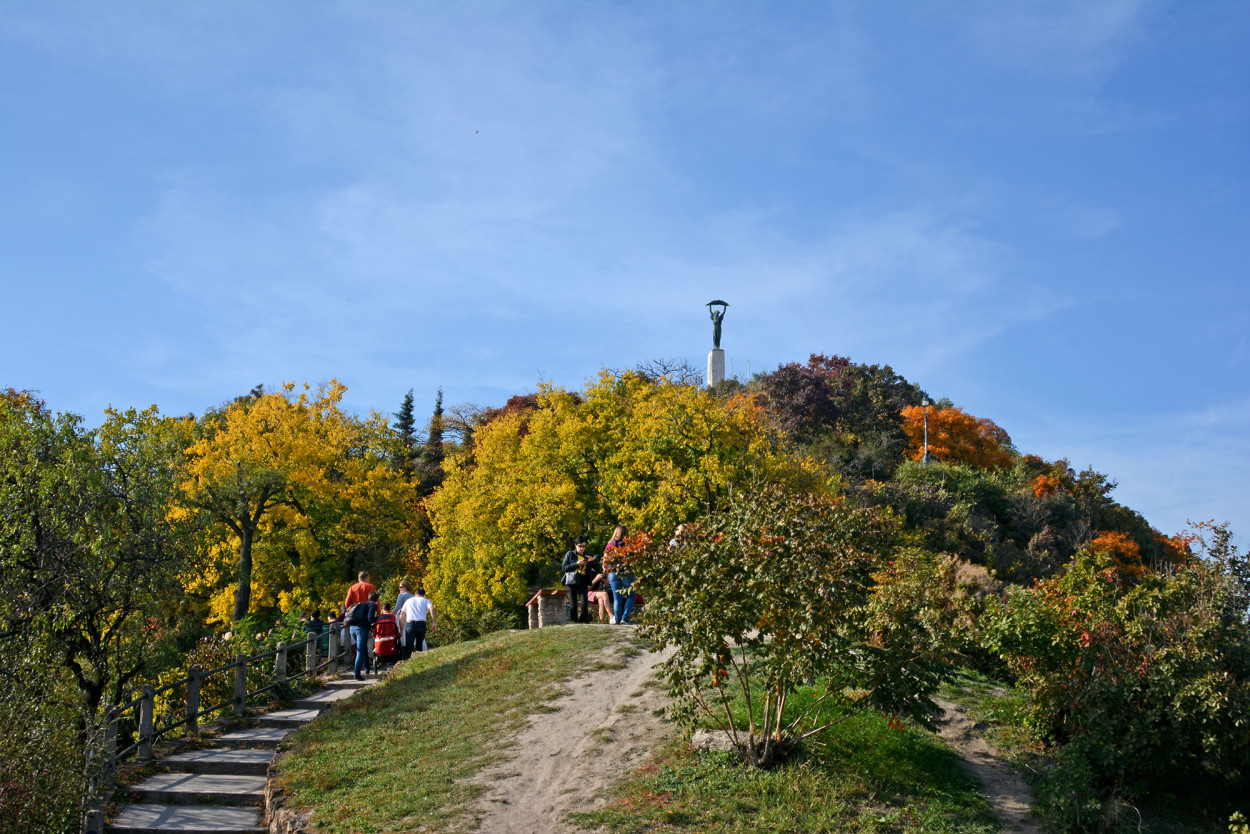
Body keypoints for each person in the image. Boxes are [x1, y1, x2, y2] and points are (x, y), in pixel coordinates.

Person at [604, 525, 636, 625]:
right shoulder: (628, 544)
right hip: (625, 572)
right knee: (631, 595)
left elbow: (605, 561)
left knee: (617, 597)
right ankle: (625, 617)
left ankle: (617, 621)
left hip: (613, 572)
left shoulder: (610, 544)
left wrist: (607, 572)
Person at [346, 591, 379, 680]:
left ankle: (367, 668)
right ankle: (357, 673)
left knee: (363, 648)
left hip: (352, 628)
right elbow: (370, 617)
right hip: (361, 629)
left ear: (369, 598)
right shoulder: (373, 605)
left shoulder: (363, 604)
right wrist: (373, 625)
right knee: (360, 651)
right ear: (377, 600)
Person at [397, 586, 436, 655]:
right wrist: (434, 622)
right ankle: (419, 657)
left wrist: (401, 630)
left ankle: (407, 658)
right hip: (421, 624)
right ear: (423, 595)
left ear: (415, 593)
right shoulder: (425, 600)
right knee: (419, 645)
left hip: (411, 624)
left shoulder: (408, 601)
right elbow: (432, 609)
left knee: (408, 646)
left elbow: (402, 615)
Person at [561, 536, 591, 624]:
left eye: (584, 546)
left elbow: (597, 566)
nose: (582, 548)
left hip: (583, 580)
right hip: (572, 580)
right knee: (573, 604)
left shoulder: (587, 556)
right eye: (580, 546)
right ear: (575, 545)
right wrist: (576, 564)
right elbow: (564, 567)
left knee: (584, 603)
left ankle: (583, 621)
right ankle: (574, 622)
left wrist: (593, 560)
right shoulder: (570, 554)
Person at [393, 580, 415, 655]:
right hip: (411, 617)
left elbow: (397, 607)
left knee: (401, 633)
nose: (399, 589)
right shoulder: (412, 596)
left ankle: (403, 652)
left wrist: (389, 615)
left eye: (401, 587)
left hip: (402, 616)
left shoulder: (401, 595)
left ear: (406, 587)